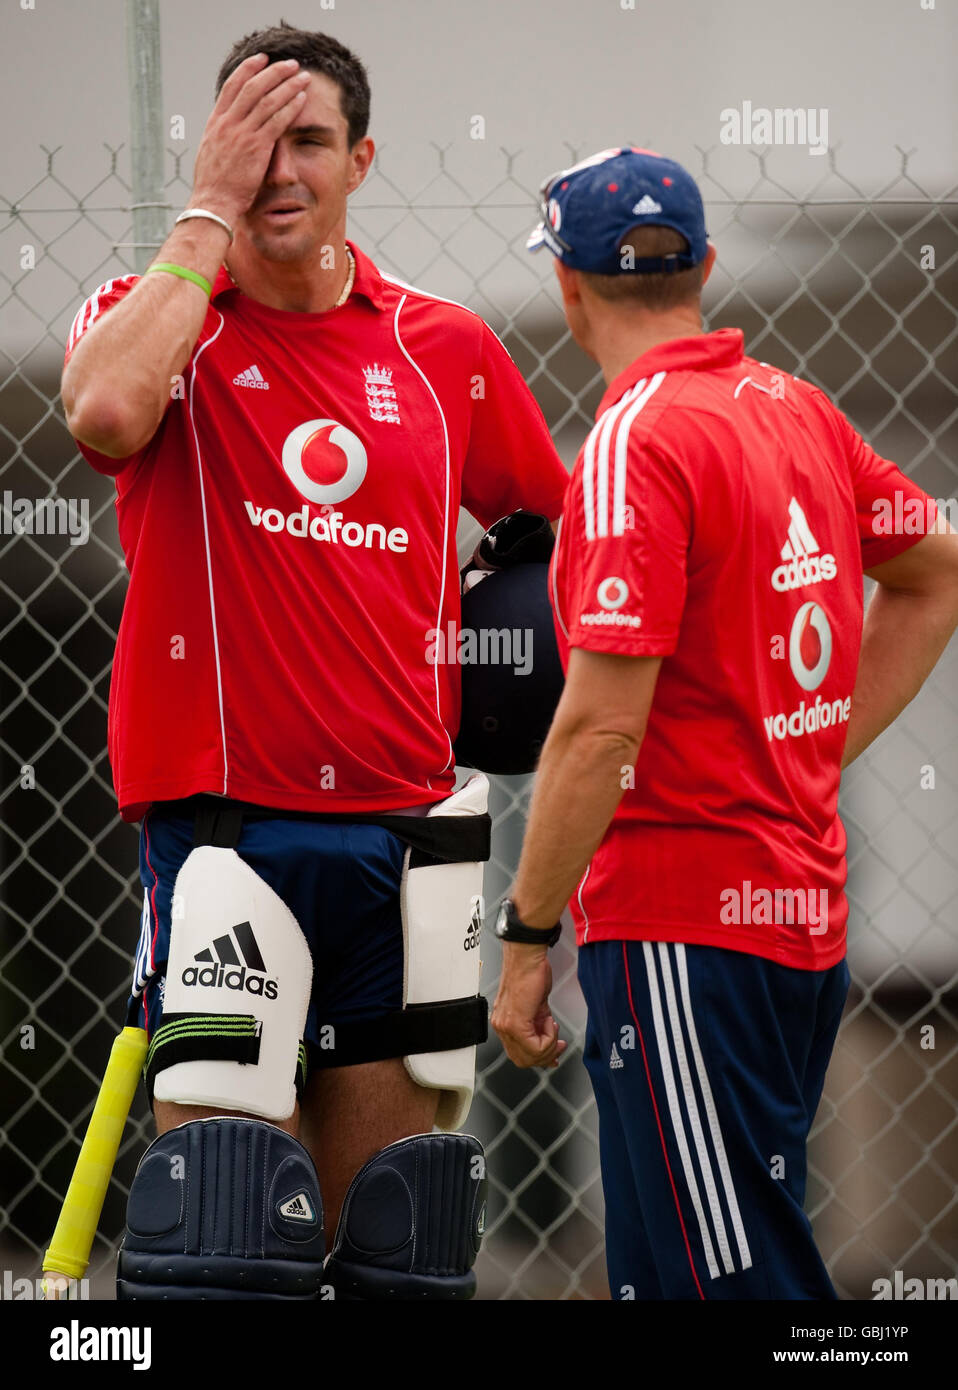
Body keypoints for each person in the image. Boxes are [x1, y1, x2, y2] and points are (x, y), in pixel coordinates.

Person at [61, 23, 567, 1300]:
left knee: (398, 1257)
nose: (276, 169)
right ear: (211, 155)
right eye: (248, 141)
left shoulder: (440, 347)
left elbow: (556, 531)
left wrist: (512, 664)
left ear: (361, 159)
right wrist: (204, 215)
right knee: (225, 1254)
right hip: (225, 839)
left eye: (308, 141)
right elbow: (104, 415)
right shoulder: (159, 321)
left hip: (406, 845)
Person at [491, 146, 958, 1300]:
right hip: (796, 914)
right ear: (699, 267)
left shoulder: (629, 444)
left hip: (685, 924)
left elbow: (597, 732)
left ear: (566, 287)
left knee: (731, 1283)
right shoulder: (794, 408)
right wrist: (807, 749)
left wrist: (523, 937)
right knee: (694, 1268)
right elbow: (934, 572)